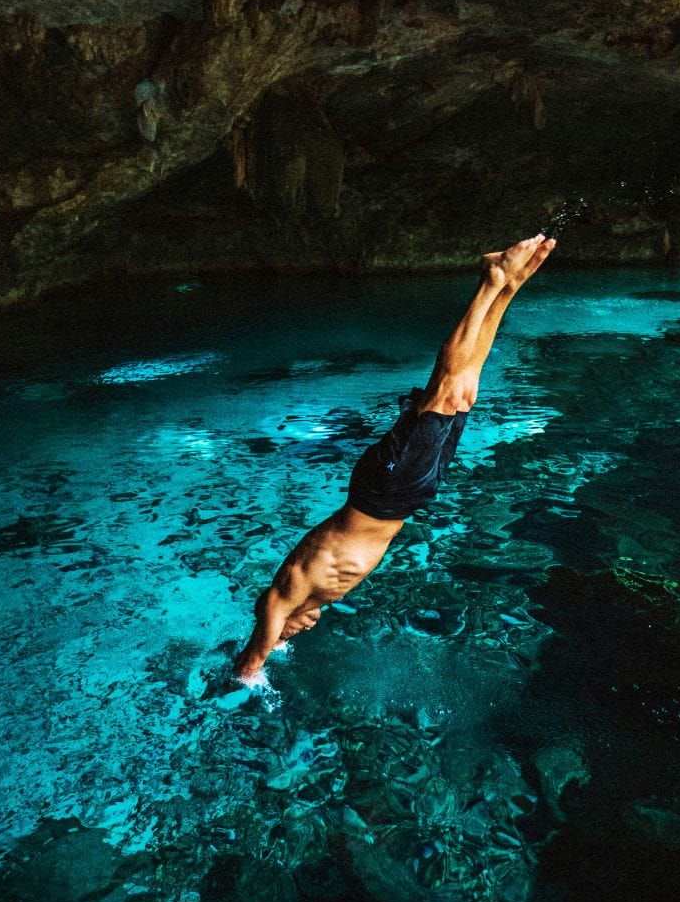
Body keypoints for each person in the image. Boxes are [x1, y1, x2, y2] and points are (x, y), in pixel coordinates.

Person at [233, 234, 557, 682]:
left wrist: (252, 669)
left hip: (383, 491)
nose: (299, 631)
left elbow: (254, 653)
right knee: (464, 393)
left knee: (444, 390)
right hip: (402, 495)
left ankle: (491, 280)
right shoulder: (311, 598)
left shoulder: (283, 596)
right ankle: (509, 286)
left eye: (289, 635)